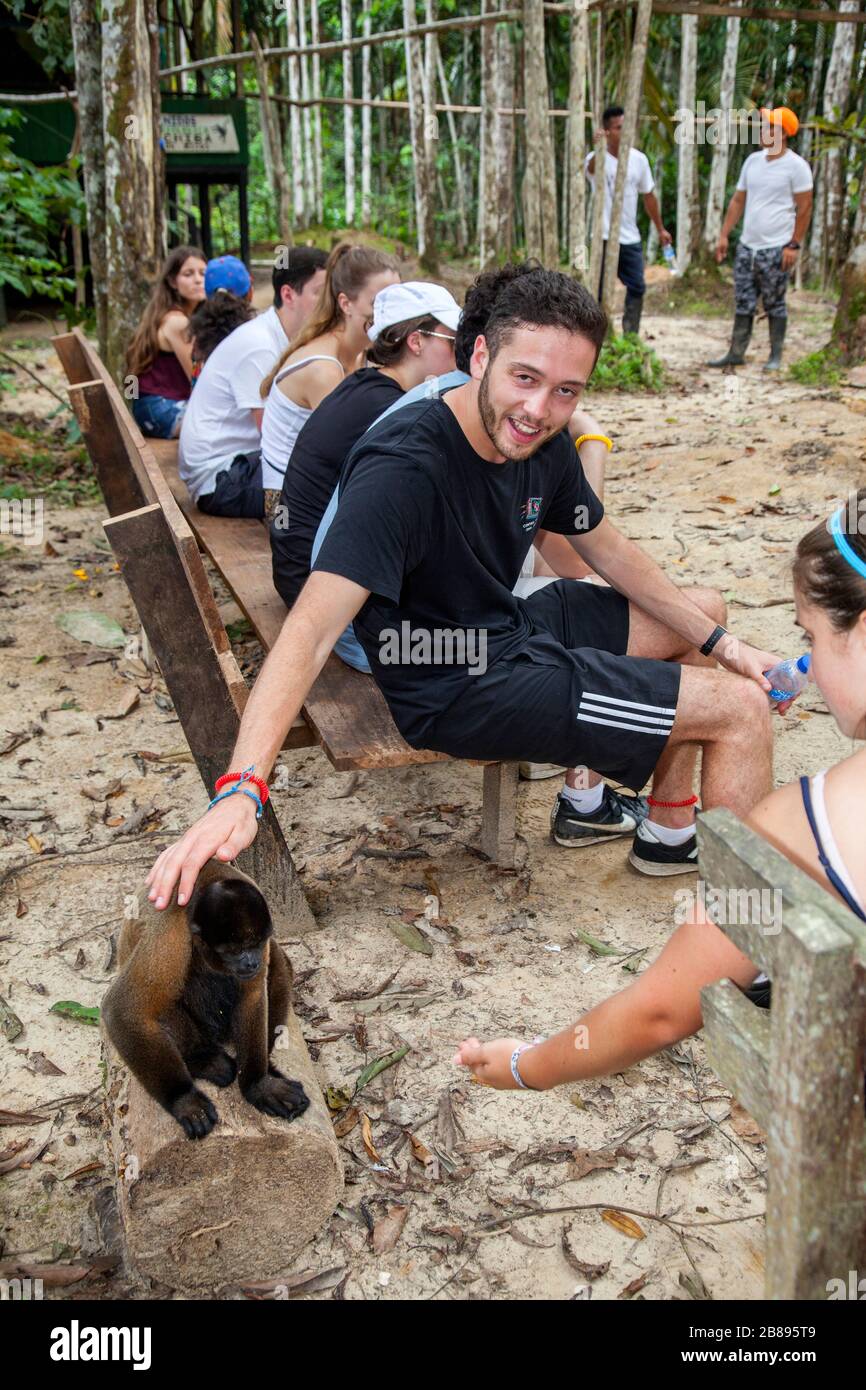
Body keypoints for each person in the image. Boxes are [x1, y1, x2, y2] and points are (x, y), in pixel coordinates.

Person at [145, 267, 788, 914]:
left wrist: (725, 644)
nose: (539, 408)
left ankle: (668, 829)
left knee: (702, 612)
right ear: (479, 355)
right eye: (525, 378)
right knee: (740, 711)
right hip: (448, 679)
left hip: (503, 627)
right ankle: (747, 948)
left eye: (566, 391)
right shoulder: (405, 466)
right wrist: (241, 787)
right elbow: (309, 632)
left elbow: (608, 551)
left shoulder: (541, 443)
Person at [453, 492, 866, 1090]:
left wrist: (524, 1066)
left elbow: (661, 1011)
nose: (808, 666)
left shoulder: (810, 823)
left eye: (813, 638)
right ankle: (665, 831)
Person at [270, 280, 460, 609]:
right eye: (454, 341)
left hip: (299, 569)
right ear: (415, 341)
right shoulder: (392, 410)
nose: (464, 352)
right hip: (315, 586)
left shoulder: (368, 386)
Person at [178, 246, 327, 518]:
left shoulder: (276, 336)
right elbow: (274, 437)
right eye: (320, 293)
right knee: (328, 483)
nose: (330, 304)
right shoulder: (260, 346)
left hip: (234, 468)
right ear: (288, 294)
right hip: (220, 480)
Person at [257, 243, 400, 517]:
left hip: (316, 489)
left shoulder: (362, 353)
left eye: (396, 302)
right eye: (378, 302)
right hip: (287, 503)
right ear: (345, 303)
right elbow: (354, 452)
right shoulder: (325, 370)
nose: (391, 313)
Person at [707, 106, 813, 372]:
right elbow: (738, 200)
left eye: (769, 126)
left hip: (776, 248)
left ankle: (775, 356)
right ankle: (736, 352)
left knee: (775, 302)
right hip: (748, 246)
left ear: (783, 133)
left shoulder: (797, 167)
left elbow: (805, 208)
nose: (763, 130)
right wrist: (724, 235)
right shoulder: (752, 161)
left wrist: (793, 243)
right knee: (743, 301)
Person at [585, 106, 671, 338]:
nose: (624, 132)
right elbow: (590, 170)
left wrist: (660, 228)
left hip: (629, 237)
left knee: (637, 287)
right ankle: (600, 337)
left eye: (626, 127)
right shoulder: (596, 159)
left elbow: (649, 196)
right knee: (598, 291)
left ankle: (630, 336)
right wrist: (598, 147)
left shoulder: (639, 160)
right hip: (601, 236)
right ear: (607, 131)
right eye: (618, 128)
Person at [127, 245, 206, 439]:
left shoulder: (169, 314)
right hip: (162, 409)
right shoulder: (177, 322)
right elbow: (198, 378)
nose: (198, 279)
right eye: (188, 274)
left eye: (203, 273)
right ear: (172, 281)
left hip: (152, 407)